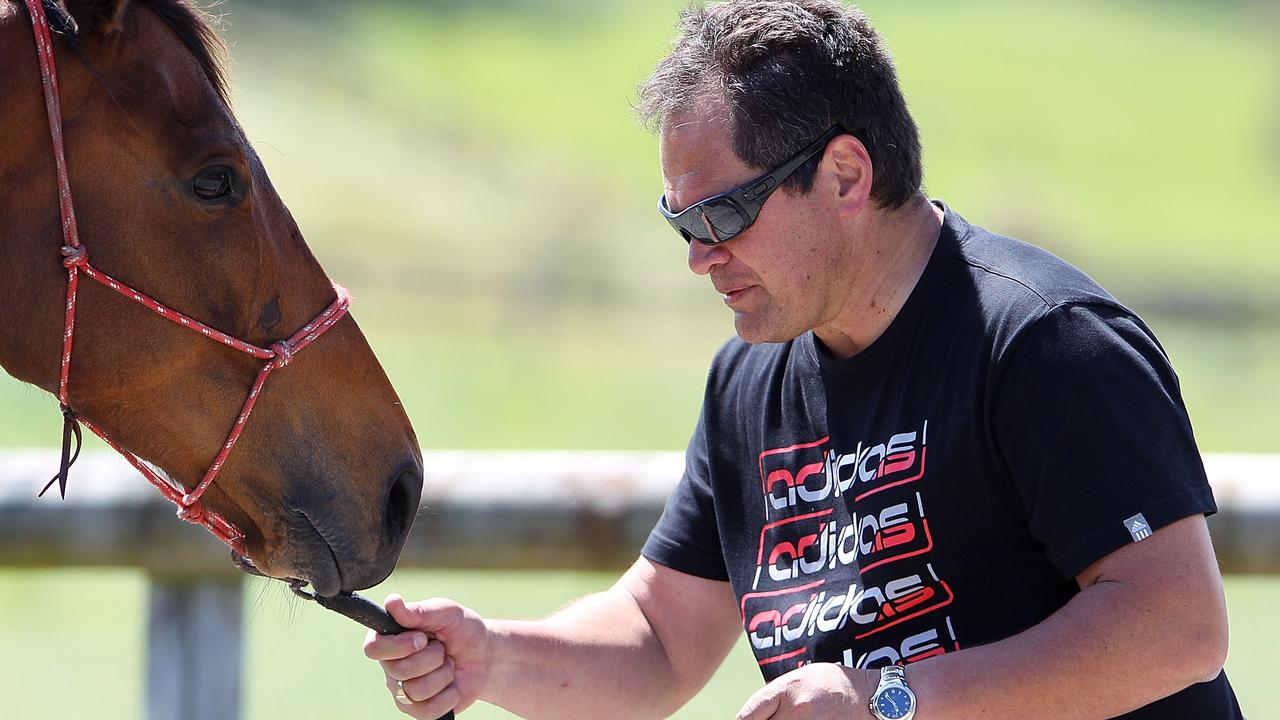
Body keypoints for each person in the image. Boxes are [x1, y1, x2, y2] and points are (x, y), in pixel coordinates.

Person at [363, 1, 1243, 718]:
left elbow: (1176, 626)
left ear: (847, 176)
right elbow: (660, 636)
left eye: (721, 216)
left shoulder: (1046, 342)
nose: (698, 257)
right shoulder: (747, 381)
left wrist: (889, 700)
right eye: (679, 222)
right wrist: (493, 657)